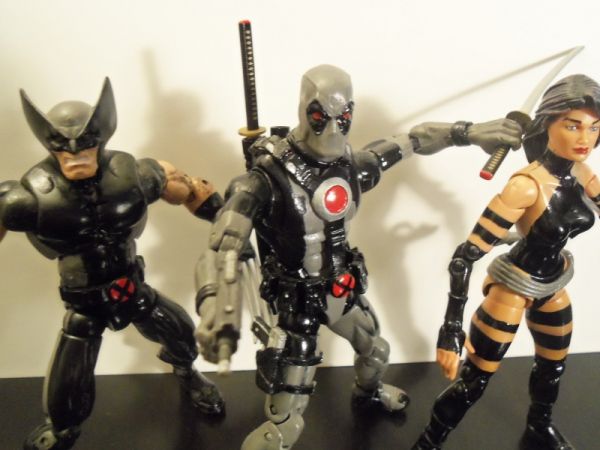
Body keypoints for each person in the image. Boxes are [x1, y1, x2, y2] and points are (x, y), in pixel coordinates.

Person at [197, 64, 524, 450]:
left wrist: (468, 132)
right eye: (320, 116)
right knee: (287, 413)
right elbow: (225, 240)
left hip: (341, 287)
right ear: (304, 109)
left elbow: (413, 140)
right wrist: (216, 301)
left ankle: (367, 393)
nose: (333, 130)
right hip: (296, 302)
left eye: (343, 117)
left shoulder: (353, 166)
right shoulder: (265, 180)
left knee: (376, 350)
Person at [0, 78, 226, 450]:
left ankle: (188, 374)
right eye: (63, 147)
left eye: (85, 144)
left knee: (182, 333)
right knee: (70, 379)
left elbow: (185, 187)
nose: (76, 154)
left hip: (132, 287)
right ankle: (62, 428)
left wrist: (227, 219)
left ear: (102, 137)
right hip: (85, 302)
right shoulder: (28, 196)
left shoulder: (133, 173)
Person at [412, 74, 600, 450]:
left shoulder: (581, 173)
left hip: (553, 284)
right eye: (572, 125)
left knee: (553, 367)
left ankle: (538, 427)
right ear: (547, 125)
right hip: (513, 287)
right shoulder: (525, 186)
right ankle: (428, 444)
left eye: (594, 127)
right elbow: (464, 257)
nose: (585, 138)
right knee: (475, 381)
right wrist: (451, 328)